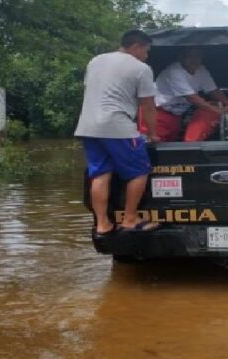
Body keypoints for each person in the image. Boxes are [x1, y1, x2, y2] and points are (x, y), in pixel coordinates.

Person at [74, 29, 160, 235]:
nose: (146, 56)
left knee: (100, 173)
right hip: (116, 127)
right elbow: (148, 105)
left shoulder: (95, 61)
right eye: (146, 51)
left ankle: (102, 224)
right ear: (136, 47)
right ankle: (130, 219)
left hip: (88, 126)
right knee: (140, 170)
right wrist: (154, 134)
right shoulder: (142, 68)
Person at [142, 48, 228, 142]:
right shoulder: (174, 71)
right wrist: (219, 112)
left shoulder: (201, 70)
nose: (195, 60)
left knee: (171, 146)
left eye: (198, 57)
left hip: (177, 115)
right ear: (181, 58)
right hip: (157, 113)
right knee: (155, 146)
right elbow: (192, 98)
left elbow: (214, 91)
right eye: (190, 57)